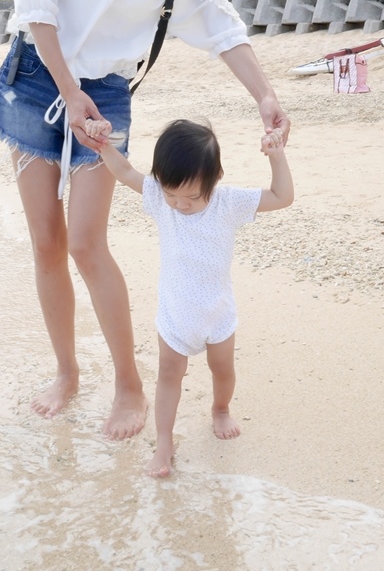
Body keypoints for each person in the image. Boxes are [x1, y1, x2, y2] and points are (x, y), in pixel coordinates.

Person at [0, 0, 289, 441]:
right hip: (38, 74)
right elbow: (35, 3)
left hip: (107, 93)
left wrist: (265, 95)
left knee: (88, 241)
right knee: (47, 240)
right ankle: (66, 370)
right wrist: (67, 88)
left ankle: (128, 383)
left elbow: (223, 25)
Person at [88, 117, 294, 477]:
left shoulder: (228, 202)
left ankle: (220, 408)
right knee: (169, 374)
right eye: (171, 195)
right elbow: (124, 172)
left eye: (192, 197)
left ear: (215, 181)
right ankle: (164, 443)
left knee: (223, 371)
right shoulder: (157, 195)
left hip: (217, 313)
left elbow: (282, 197)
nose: (180, 205)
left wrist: (276, 155)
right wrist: (104, 145)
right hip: (175, 313)